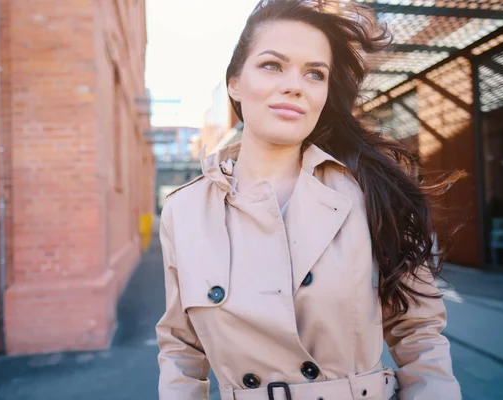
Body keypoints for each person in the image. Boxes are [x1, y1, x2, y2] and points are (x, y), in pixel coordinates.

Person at [155, 1, 462, 399]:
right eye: (272, 65)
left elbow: (419, 334)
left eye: (314, 73)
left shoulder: (373, 192)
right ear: (234, 82)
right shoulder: (185, 212)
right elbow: (181, 350)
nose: (295, 85)